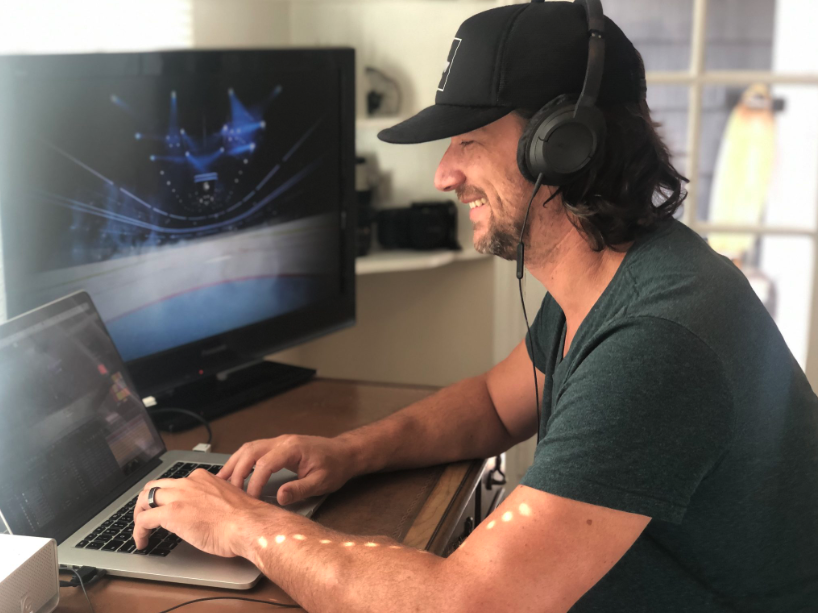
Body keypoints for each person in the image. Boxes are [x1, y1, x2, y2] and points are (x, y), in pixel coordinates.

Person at [132, 2, 818, 611]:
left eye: (469, 141)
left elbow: (464, 603)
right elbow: (495, 402)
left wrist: (245, 526)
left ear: (563, 147)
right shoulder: (625, 272)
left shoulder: (659, 337)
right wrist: (345, 452)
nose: (443, 174)